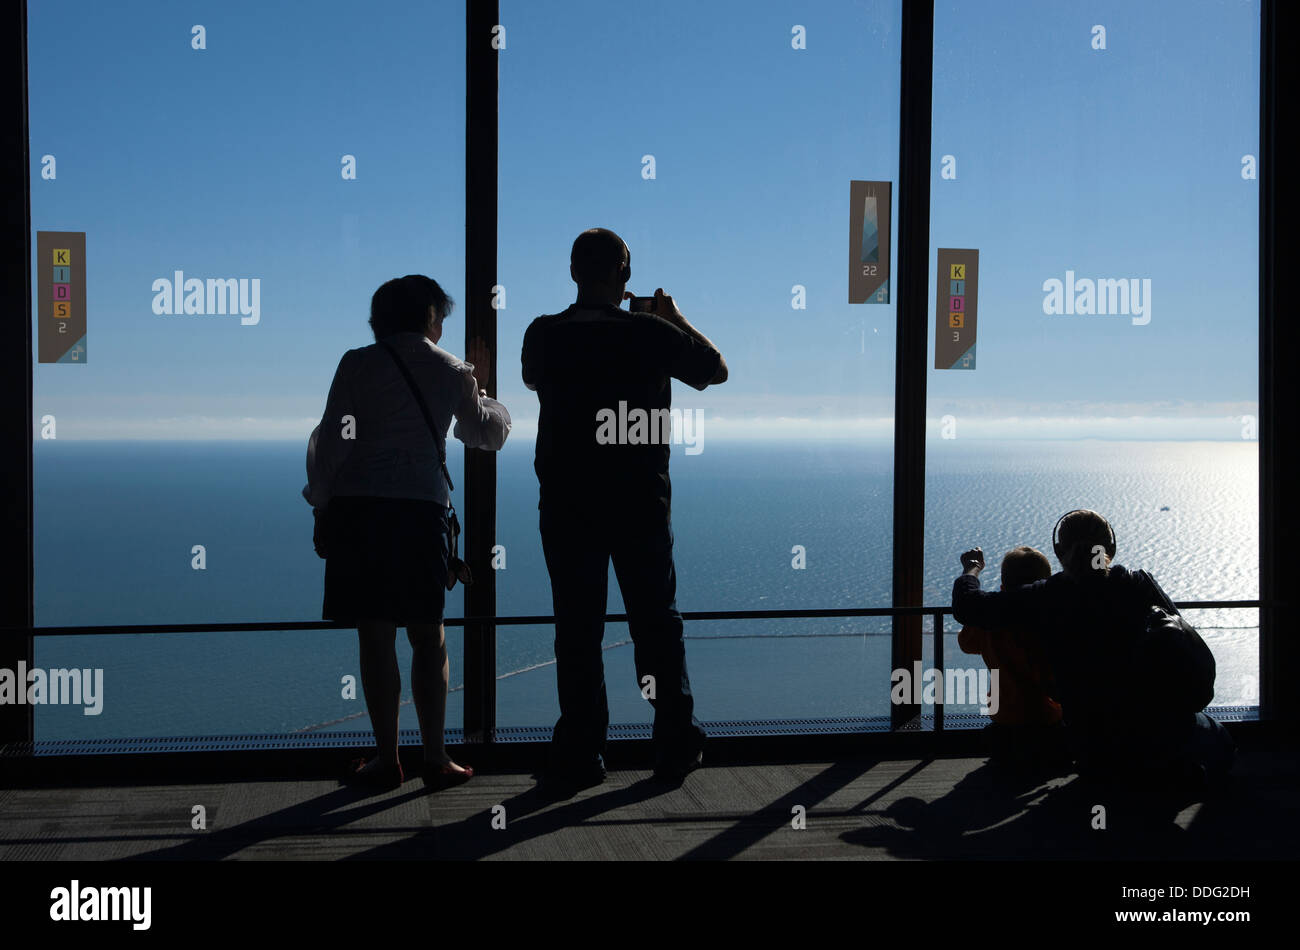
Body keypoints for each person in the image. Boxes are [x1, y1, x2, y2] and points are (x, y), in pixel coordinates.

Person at [521, 228, 728, 794]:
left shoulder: (543, 334)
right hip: (639, 500)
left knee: (578, 629)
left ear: (572, 271)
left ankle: (583, 751)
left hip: (567, 502)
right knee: (656, 624)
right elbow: (715, 370)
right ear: (625, 275)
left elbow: (530, 376)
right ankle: (673, 744)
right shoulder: (651, 333)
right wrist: (675, 318)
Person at [304, 275, 511, 791]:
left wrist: (322, 509)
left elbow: (331, 441)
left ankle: (385, 758)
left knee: (375, 638)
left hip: (359, 511)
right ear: (431, 319)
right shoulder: (452, 371)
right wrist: (481, 387)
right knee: (429, 637)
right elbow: (486, 433)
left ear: (380, 319)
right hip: (420, 513)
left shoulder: (356, 364)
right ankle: (436, 757)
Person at [952, 509, 1234, 805]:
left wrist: (971, 569)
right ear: (1110, 547)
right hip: (1158, 729)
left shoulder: (1047, 595)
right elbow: (1183, 644)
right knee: (1222, 743)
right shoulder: (1138, 584)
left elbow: (969, 607)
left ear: (1059, 551)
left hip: (1091, 744)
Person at [956, 545, 1065, 769]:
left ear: (1003, 585)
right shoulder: (1052, 622)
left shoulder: (989, 622)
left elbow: (966, 644)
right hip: (1047, 716)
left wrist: (972, 571)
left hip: (1005, 715)